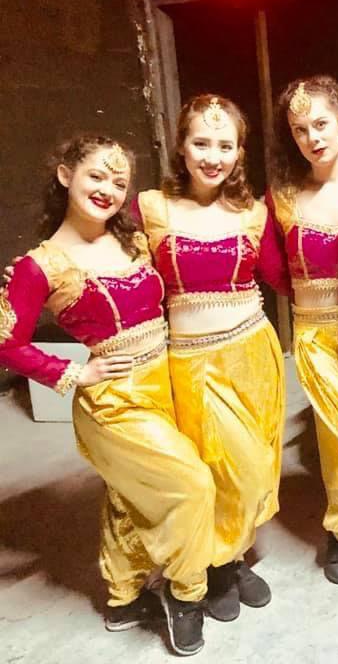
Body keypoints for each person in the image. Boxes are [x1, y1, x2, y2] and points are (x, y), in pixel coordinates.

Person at [0, 136, 215, 656]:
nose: (107, 190)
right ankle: (185, 593)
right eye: (96, 175)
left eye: (119, 182)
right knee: (192, 486)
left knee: (129, 495)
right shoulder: (40, 266)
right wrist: (74, 371)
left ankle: (123, 598)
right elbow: (6, 342)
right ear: (65, 175)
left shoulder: (134, 241)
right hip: (112, 399)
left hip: (166, 381)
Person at [133, 94, 290, 623]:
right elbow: (118, 270)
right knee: (217, 469)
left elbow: (283, 276)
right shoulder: (150, 209)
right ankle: (220, 564)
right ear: (180, 146)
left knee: (256, 467)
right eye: (201, 143)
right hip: (190, 363)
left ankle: (234, 554)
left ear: (240, 152)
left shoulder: (253, 213)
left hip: (252, 354)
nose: (213, 156)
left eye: (226, 145)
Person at [265, 76, 338, 584]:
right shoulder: (285, 197)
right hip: (314, 334)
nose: (312, 137)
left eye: (321, 124)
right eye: (299, 129)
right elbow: (272, 267)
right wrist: (308, 298)